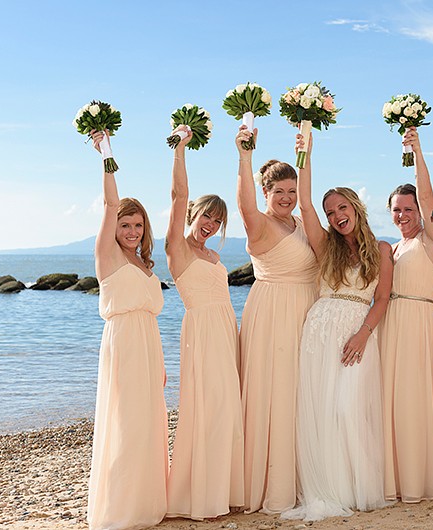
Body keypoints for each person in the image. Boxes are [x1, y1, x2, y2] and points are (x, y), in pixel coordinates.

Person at [283, 131, 393, 521]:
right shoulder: (326, 245)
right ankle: (329, 490)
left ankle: (357, 488)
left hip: (357, 333)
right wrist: (305, 150)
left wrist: (363, 334)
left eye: (341, 207)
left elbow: (382, 299)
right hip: (319, 332)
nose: (335, 215)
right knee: (322, 410)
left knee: (350, 410)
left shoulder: (381, 249)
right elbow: (306, 205)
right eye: (330, 212)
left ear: (355, 207)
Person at [235, 126, 319, 513]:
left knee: (301, 393)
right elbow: (245, 207)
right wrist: (245, 156)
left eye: (290, 191)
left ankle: (305, 477)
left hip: (306, 311)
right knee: (275, 392)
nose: (286, 198)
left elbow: (307, 199)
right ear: (266, 193)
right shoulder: (260, 224)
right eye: (278, 192)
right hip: (272, 313)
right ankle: (273, 483)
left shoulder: (300, 224)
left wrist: (306, 152)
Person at [87, 131, 168, 530]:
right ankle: (120, 509)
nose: (132, 231)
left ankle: (143, 505)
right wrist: (106, 153)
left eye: (138, 225)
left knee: (148, 425)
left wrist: (162, 362)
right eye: (125, 224)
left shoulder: (146, 265)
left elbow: (151, 317)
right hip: (122, 347)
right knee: (126, 424)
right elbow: (109, 202)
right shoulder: (108, 256)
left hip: (148, 346)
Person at [164, 126, 244, 520]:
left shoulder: (213, 256)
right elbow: (178, 195)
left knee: (228, 408)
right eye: (206, 215)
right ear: (194, 214)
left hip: (226, 330)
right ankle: (201, 497)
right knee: (206, 409)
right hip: (200, 332)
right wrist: (180, 149)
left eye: (218, 219)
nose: (210, 223)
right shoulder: (176, 248)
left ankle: (224, 491)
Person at [379, 127, 433, 503]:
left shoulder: (432, 239)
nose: (403, 215)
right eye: (397, 210)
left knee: (414, 400)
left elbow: (429, 194)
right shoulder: (396, 246)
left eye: (409, 209)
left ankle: (419, 481)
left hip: (420, 324)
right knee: (391, 401)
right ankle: (396, 479)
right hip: (392, 325)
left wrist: (416, 150)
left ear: (421, 212)